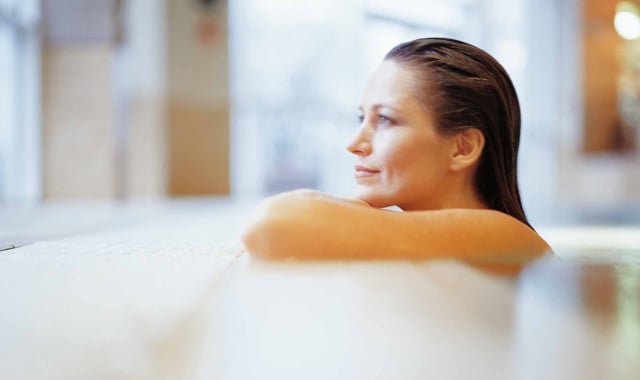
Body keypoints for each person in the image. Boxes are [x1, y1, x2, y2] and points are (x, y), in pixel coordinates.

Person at [241, 37, 550, 273]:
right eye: (361, 119)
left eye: (385, 119)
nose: (354, 143)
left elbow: (270, 225)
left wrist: (347, 211)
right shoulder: (426, 243)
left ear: (463, 148)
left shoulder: (504, 238)